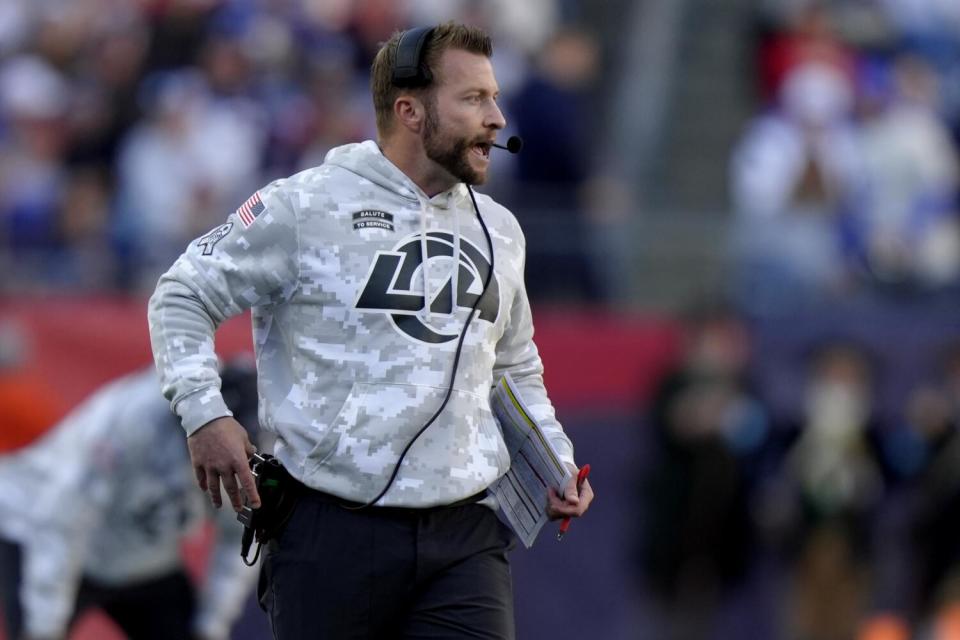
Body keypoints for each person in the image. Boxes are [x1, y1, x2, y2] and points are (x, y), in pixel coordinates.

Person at [147, 21, 593, 640]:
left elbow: (514, 367)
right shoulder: (303, 206)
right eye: (473, 99)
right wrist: (204, 413)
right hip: (330, 531)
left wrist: (555, 457)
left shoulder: (502, 230)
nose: (497, 117)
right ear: (409, 111)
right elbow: (181, 292)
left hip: (466, 538)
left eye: (494, 96)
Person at [0, 361, 261, 640]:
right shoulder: (130, 423)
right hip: (36, 528)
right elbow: (61, 522)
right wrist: (44, 627)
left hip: (142, 559)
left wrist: (212, 626)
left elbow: (241, 537)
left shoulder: (251, 453)